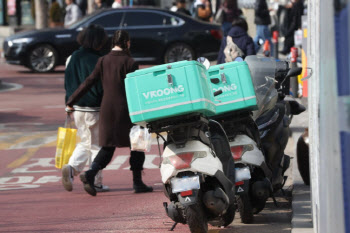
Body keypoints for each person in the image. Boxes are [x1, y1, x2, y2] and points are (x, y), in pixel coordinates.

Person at [66, 30, 153, 196]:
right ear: (127, 42)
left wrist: (71, 99)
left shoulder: (103, 60)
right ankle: (137, 182)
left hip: (107, 110)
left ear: (113, 43)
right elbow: (134, 90)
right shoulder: (130, 62)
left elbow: (88, 82)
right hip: (127, 111)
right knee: (137, 145)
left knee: (107, 147)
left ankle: (91, 173)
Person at [62, 25, 109, 193]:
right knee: (97, 146)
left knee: (86, 142)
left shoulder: (72, 58)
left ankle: (71, 168)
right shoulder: (99, 60)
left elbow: (68, 84)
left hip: (77, 108)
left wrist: (68, 104)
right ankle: (95, 180)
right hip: (95, 108)